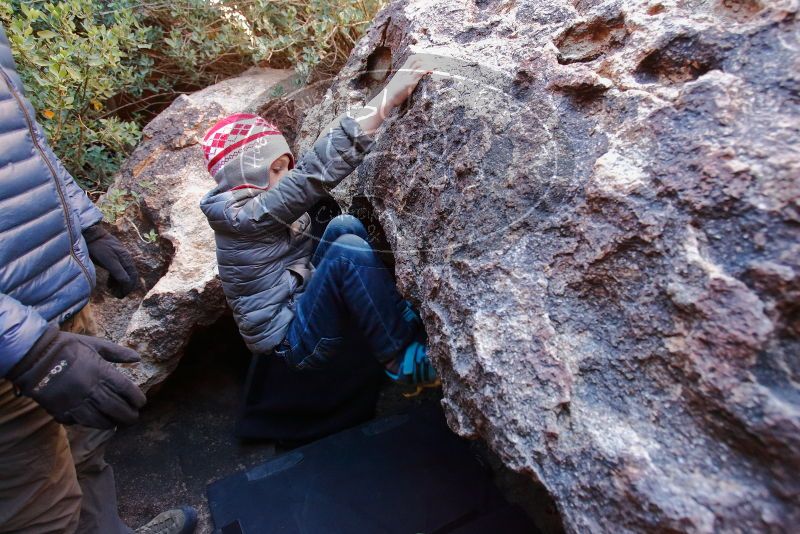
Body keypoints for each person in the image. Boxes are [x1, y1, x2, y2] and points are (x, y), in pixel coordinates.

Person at [0, 25, 196, 534]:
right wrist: (30, 351)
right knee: (40, 514)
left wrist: (85, 221)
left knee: (88, 454)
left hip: (54, 300)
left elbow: (24, 142)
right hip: (16, 349)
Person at [199, 55, 437, 390]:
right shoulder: (244, 217)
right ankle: (402, 361)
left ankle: (396, 316)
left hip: (299, 301)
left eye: (286, 166)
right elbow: (312, 176)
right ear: (244, 177)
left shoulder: (249, 205)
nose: (285, 176)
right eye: (275, 170)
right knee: (346, 252)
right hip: (292, 342)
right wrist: (389, 97)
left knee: (344, 228)